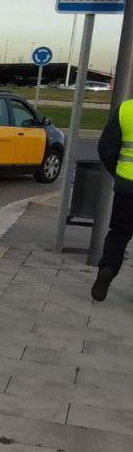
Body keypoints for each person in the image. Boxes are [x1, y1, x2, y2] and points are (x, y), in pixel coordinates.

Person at [92, 99, 133, 302]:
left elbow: (106, 148)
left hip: (127, 187)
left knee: (119, 234)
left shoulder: (125, 110)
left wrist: (119, 174)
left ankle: (108, 268)